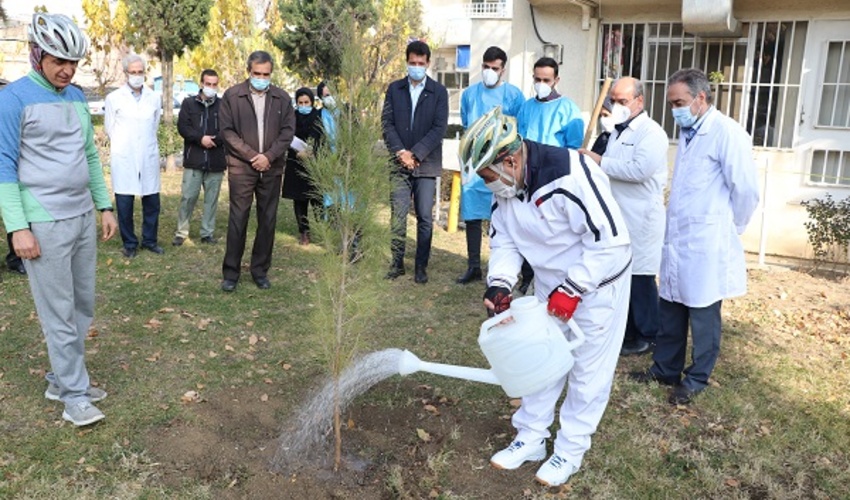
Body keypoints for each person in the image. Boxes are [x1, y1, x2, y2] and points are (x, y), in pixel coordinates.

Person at [460, 108, 631, 486]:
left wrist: (574, 289)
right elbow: (504, 238)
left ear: (511, 159)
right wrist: (501, 283)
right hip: (549, 285)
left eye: (490, 176)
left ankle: (568, 451)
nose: (490, 185)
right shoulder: (507, 185)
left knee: (587, 371)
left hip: (597, 285)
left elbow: (613, 242)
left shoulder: (573, 175)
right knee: (538, 362)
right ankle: (531, 438)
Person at [0, 13, 117, 426]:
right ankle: (73, 395)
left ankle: (62, 377)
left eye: (73, 62)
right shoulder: (13, 99)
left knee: (82, 305)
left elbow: (88, 154)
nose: (67, 70)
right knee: (59, 312)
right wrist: (17, 227)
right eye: (58, 61)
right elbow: (3, 166)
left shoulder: (77, 97)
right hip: (43, 222)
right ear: (37, 54)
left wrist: (104, 205)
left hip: (82, 214)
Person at [630, 68, 759, 405]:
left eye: (679, 102)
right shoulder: (689, 132)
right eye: (672, 103)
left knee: (703, 314)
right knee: (671, 307)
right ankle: (665, 369)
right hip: (679, 239)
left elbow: (745, 190)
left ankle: (697, 378)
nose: (675, 110)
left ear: (701, 98)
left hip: (707, 240)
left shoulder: (727, 133)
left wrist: (732, 227)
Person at [579, 77, 669, 356]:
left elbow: (639, 169)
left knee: (641, 277)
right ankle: (628, 330)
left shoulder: (652, 133)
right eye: (613, 101)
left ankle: (648, 334)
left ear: (639, 102)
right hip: (618, 215)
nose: (616, 106)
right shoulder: (617, 131)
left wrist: (600, 162)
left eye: (623, 101)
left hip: (641, 216)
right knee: (622, 274)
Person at [219, 50, 295, 292]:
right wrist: (253, 156)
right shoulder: (232, 96)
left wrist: (268, 157)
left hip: (271, 169)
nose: (262, 78)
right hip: (242, 168)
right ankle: (231, 273)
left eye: (266, 74)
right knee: (238, 219)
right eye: (257, 73)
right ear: (248, 71)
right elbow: (227, 132)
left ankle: (260, 270)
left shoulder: (282, 98)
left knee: (268, 219)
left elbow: (287, 132)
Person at [382, 40, 449, 284]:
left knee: (424, 217)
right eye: (412, 63)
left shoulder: (439, 92)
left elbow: (439, 128)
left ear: (428, 63)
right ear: (407, 62)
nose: (417, 67)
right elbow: (387, 124)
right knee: (398, 215)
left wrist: (416, 154)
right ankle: (397, 262)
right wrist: (401, 152)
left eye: (421, 63)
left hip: (426, 164)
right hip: (399, 163)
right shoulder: (394, 89)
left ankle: (421, 266)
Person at [456, 46, 524, 285]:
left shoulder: (514, 96)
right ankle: (473, 265)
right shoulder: (469, 95)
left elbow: (518, 130)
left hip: (502, 165)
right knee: (473, 215)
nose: (489, 72)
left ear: (503, 70)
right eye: (486, 67)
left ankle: (504, 270)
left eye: (495, 68)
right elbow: (467, 124)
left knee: (505, 217)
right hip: (475, 166)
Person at [105, 54, 163, 258]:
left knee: (152, 201)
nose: (137, 76)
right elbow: (110, 127)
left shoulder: (154, 97)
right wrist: (125, 145)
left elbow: (153, 125)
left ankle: (150, 240)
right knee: (124, 202)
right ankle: (130, 243)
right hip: (125, 156)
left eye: (140, 72)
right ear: (126, 73)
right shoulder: (114, 98)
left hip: (147, 154)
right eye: (133, 72)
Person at [173, 69, 226, 247]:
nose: (211, 87)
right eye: (208, 84)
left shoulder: (223, 105)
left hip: (216, 159)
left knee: (211, 200)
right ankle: (181, 232)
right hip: (194, 158)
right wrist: (200, 139)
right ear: (201, 84)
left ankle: (207, 233)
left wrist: (215, 140)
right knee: (188, 197)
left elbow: (228, 129)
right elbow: (183, 127)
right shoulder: (188, 104)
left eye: (214, 84)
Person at [282, 87, 324, 245]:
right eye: (300, 102)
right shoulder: (291, 117)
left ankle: (323, 230)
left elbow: (322, 136)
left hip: (315, 162)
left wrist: (313, 151)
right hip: (296, 161)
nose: (304, 105)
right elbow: (285, 136)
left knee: (317, 199)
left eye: (307, 102)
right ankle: (304, 232)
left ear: (312, 102)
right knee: (299, 200)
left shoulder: (318, 116)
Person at [516, 57, 584, 149]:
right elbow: (519, 138)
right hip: (528, 161)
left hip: (555, 161)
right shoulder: (527, 106)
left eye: (546, 80)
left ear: (556, 80)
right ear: (533, 78)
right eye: (538, 79)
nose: (541, 84)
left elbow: (574, 146)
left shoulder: (568, 108)